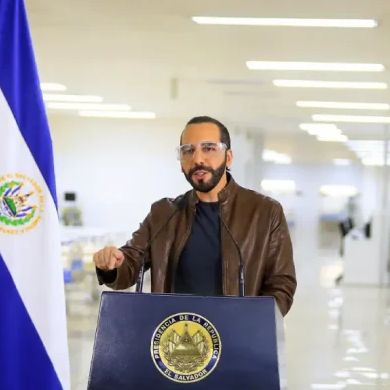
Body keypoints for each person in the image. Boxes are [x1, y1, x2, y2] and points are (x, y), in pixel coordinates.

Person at [92, 116, 297, 315]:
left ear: (228, 157)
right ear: (181, 162)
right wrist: (113, 264)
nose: (197, 159)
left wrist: (254, 325)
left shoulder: (265, 211)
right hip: (175, 340)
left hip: (238, 340)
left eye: (208, 148)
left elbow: (281, 285)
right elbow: (129, 266)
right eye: (188, 150)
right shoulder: (164, 213)